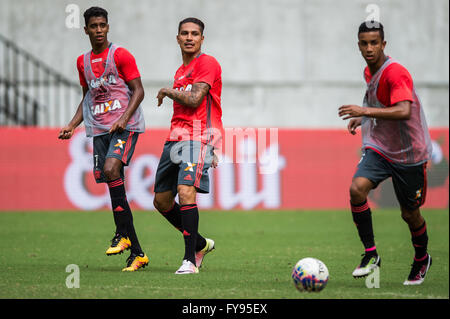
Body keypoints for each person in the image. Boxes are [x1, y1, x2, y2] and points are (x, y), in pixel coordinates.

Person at [338, 21, 433, 285]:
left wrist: (364, 112)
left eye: (374, 43)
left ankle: (421, 258)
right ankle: (370, 254)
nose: (369, 48)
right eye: (364, 43)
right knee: (357, 189)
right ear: (358, 45)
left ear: (384, 44)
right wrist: (364, 118)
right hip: (380, 149)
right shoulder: (370, 72)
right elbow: (379, 102)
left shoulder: (396, 73)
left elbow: (403, 110)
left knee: (409, 214)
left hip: (409, 154)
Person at [58, 6, 149, 272]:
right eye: (93, 26)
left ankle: (122, 235)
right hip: (99, 129)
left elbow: (139, 90)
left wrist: (123, 118)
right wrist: (72, 125)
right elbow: (87, 97)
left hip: (124, 126)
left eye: (102, 25)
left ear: (108, 27)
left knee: (111, 169)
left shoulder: (120, 55)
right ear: (85, 29)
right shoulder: (82, 62)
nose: (99, 30)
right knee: (111, 179)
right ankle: (137, 252)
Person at [154, 17, 222, 274]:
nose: (190, 37)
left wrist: (167, 91)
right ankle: (201, 243)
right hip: (175, 137)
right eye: (185, 33)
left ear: (202, 39)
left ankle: (189, 260)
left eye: (195, 33)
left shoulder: (207, 63)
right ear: (178, 38)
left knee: (185, 191)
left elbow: (195, 100)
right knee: (161, 201)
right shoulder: (180, 72)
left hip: (198, 136)